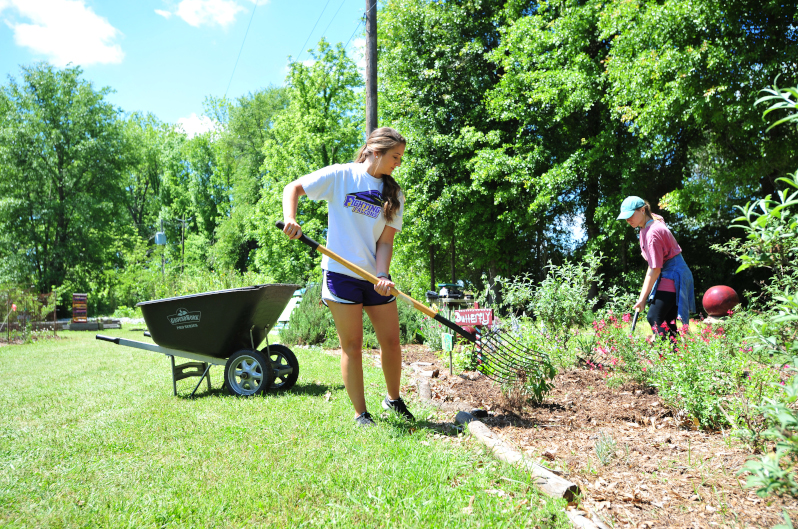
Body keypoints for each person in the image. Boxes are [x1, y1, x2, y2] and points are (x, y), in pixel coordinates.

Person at [281, 127, 414, 427]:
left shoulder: (394, 194)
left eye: (401, 158)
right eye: (395, 156)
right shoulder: (342, 176)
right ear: (375, 151)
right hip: (341, 275)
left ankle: (393, 400)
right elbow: (294, 188)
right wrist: (291, 218)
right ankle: (361, 414)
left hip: (375, 277)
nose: (398, 163)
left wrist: (382, 274)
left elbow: (385, 242)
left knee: (392, 341)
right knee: (352, 346)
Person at [617, 196, 696, 339]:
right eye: (625, 217)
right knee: (667, 320)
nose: (628, 220)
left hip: (673, 273)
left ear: (642, 210)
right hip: (673, 271)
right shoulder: (649, 222)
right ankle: (675, 355)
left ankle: (664, 354)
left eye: (630, 216)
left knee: (654, 316)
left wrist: (642, 299)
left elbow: (655, 269)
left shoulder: (653, 233)